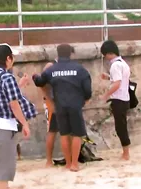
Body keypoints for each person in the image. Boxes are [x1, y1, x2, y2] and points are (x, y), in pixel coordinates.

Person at [32, 44, 92, 172]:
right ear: (71, 53)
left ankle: (68, 163)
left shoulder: (52, 69)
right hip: (75, 104)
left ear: (58, 54)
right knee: (76, 134)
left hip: (59, 105)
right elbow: (87, 89)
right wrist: (84, 100)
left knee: (64, 134)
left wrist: (34, 77)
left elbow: (40, 82)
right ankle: (75, 164)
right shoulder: (79, 69)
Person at [0, 43, 31, 189]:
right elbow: (13, 104)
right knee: (3, 173)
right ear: (8, 59)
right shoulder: (7, 77)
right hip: (3, 129)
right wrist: (25, 123)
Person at [100, 40, 131, 160]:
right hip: (124, 98)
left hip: (119, 99)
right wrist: (108, 77)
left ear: (109, 53)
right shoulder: (123, 63)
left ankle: (126, 153)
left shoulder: (115, 65)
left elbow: (117, 84)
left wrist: (106, 95)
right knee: (122, 126)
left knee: (120, 127)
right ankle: (125, 152)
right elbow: (120, 80)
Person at [39, 60, 60, 167]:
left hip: (56, 103)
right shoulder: (50, 69)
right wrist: (50, 103)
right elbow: (44, 87)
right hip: (51, 104)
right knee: (52, 131)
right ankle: (48, 160)